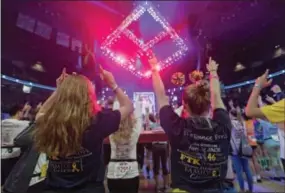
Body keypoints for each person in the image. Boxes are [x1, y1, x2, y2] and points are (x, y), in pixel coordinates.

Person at [33, 68, 133, 193]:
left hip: (54, 188)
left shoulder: (50, 120)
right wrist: (112, 84)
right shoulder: (98, 121)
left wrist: (59, 90)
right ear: (89, 96)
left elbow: (40, 114)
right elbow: (128, 107)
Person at [150, 54, 234, 193]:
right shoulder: (223, 126)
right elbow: (217, 98)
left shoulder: (177, 127)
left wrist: (154, 69)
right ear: (209, 105)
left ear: (184, 104)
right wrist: (213, 72)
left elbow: (160, 95)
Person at [245, 70, 285, 171]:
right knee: (265, 154)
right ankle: (266, 167)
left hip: (261, 139)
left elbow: (250, 111)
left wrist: (258, 86)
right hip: (266, 139)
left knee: (257, 156)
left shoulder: (252, 122)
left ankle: (262, 171)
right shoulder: (259, 121)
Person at [107, 99, 143, 193]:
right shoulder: (135, 130)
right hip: (131, 174)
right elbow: (139, 115)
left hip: (113, 173)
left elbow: (114, 114)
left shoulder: (110, 129)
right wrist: (137, 102)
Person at [1, 103, 31, 185]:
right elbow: (33, 124)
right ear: (18, 112)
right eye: (21, 112)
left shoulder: (2, 122)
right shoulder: (20, 124)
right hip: (12, 158)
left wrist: (24, 110)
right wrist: (27, 111)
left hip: (1, 156)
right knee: (8, 183)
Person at [229, 108, 253, 192]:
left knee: (239, 171)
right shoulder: (242, 123)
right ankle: (250, 189)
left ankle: (242, 189)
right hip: (244, 148)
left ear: (231, 115)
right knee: (247, 169)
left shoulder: (230, 123)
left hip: (235, 150)